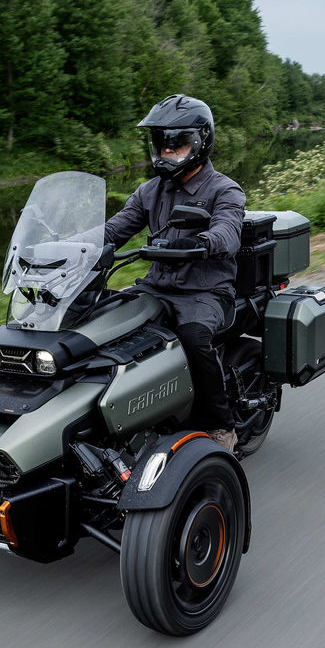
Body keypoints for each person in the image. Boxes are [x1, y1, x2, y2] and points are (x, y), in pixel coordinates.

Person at [103, 94, 246, 453]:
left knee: (194, 339)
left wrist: (200, 242)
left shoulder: (224, 189)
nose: (168, 151)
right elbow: (113, 230)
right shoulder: (149, 191)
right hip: (156, 287)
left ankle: (221, 427)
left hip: (205, 291)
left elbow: (228, 232)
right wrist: (68, 247)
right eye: (162, 144)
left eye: (178, 143)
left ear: (200, 142)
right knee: (107, 329)